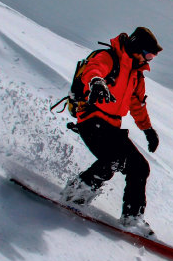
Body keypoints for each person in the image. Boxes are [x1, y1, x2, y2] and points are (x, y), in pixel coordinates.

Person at [61, 27, 162, 237]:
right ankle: (74, 194)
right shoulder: (108, 57)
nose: (149, 59)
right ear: (135, 45)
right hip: (91, 119)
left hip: (112, 126)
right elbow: (94, 69)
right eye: (148, 54)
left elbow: (137, 105)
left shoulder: (136, 74)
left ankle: (132, 217)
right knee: (112, 159)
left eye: (152, 56)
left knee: (139, 167)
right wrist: (96, 82)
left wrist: (148, 129)